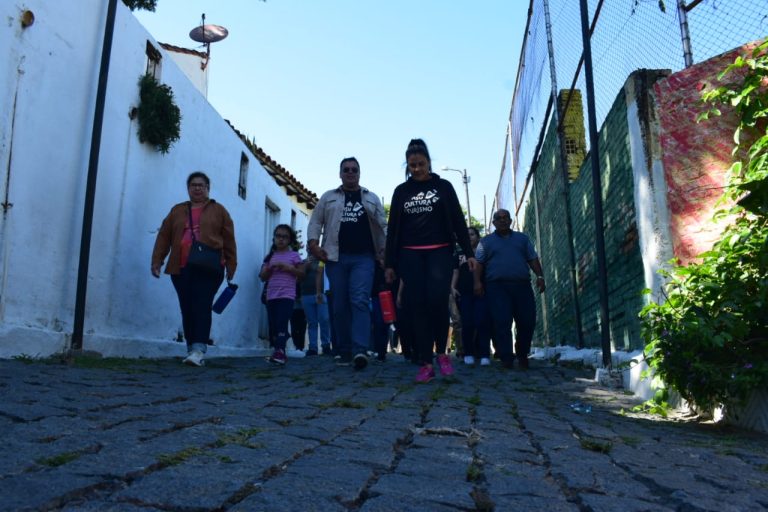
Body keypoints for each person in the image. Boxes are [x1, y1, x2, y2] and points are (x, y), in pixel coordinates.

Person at [385, 139, 476, 383]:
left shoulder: (443, 187)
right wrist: (390, 264)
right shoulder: (401, 192)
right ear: (408, 165)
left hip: (440, 253)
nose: (417, 169)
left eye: (421, 164)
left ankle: (442, 354)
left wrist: (469, 253)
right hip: (410, 255)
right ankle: (426, 362)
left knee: (437, 302)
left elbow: (457, 220)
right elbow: (393, 229)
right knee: (418, 306)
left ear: (428, 162)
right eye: (412, 165)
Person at [307, 157, 387, 370]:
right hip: (335, 257)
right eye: (346, 169)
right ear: (340, 173)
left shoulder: (372, 198)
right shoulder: (328, 197)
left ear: (360, 173)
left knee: (359, 300)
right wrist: (313, 244)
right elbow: (315, 221)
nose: (350, 173)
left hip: (364, 257)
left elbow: (383, 225)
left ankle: (359, 349)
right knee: (339, 304)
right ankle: (343, 349)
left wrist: (384, 252)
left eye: (354, 169)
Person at [151, 171, 237, 367]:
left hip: (209, 266)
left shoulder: (219, 211)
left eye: (201, 185)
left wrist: (231, 264)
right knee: (187, 307)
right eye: (193, 185)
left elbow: (229, 239)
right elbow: (164, 236)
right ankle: (191, 348)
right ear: (188, 189)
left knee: (202, 304)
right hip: (180, 266)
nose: (197, 188)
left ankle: (199, 349)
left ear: (208, 189)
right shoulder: (177, 210)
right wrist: (157, 260)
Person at [474, 209, 546, 370]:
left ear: (510, 220)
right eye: (498, 218)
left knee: (527, 321)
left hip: (521, 285)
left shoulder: (522, 239)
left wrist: (540, 277)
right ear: (493, 223)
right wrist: (477, 282)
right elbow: (478, 263)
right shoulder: (485, 242)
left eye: (505, 217)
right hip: (496, 287)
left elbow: (532, 258)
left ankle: (522, 354)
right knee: (501, 321)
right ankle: (506, 356)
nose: (502, 220)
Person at [259, 225, 306, 365]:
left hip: (287, 295)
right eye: (278, 236)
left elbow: (302, 274)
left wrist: (289, 268)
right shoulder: (270, 257)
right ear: (274, 238)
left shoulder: (294, 256)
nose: (280, 239)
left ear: (290, 240)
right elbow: (262, 276)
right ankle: (278, 349)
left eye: (284, 237)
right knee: (274, 325)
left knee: (281, 321)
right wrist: (269, 269)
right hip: (271, 295)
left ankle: (280, 351)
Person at [452, 227, 491, 366]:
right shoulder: (459, 253)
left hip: (482, 292)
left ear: (478, 237)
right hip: (464, 292)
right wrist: (453, 287)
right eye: (466, 235)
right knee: (467, 322)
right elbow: (456, 272)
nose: (470, 237)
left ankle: (484, 353)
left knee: (482, 322)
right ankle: (468, 352)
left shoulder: (484, 253)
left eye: (472, 234)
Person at [300, 255, 331, 356]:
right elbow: (298, 278)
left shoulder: (324, 261)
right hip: (306, 294)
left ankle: (326, 345)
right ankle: (313, 347)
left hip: (322, 294)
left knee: (324, 319)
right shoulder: (303, 262)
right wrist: (305, 266)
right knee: (311, 322)